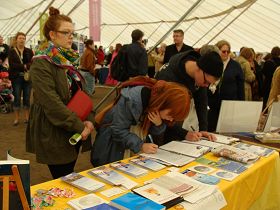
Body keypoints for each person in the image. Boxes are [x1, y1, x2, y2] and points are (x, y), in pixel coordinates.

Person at [26, 7, 94, 179]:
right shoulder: (42, 63)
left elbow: (80, 92)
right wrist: (80, 126)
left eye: (72, 32)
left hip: (73, 128)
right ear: (52, 35)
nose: (71, 36)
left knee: (68, 174)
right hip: (55, 131)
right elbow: (51, 104)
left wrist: (89, 119)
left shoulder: (67, 60)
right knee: (63, 178)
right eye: (66, 32)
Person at [91, 76, 190, 167]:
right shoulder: (132, 99)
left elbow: (152, 131)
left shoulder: (155, 104)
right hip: (112, 149)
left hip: (130, 147)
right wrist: (140, 145)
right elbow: (118, 130)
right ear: (164, 103)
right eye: (171, 115)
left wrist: (158, 124)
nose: (171, 119)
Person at [156, 50, 223, 141]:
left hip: (175, 119)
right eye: (206, 82)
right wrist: (184, 134)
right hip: (159, 123)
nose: (206, 86)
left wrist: (203, 129)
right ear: (199, 69)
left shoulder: (200, 73)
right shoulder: (168, 78)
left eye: (210, 84)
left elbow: (201, 101)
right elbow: (164, 113)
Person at [207, 40, 244, 131]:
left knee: (226, 129)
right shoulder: (212, 63)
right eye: (223, 51)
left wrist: (241, 103)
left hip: (229, 102)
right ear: (217, 51)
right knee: (212, 127)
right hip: (213, 102)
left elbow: (240, 86)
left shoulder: (235, 65)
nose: (226, 53)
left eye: (228, 51)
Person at [8, 32, 33, 126]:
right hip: (16, 78)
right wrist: (25, 66)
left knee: (27, 98)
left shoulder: (29, 51)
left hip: (27, 78)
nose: (22, 40)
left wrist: (26, 66)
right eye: (20, 38)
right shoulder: (12, 51)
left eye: (23, 38)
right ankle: (16, 119)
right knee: (17, 98)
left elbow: (32, 62)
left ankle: (27, 118)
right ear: (16, 39)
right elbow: (12, 65)